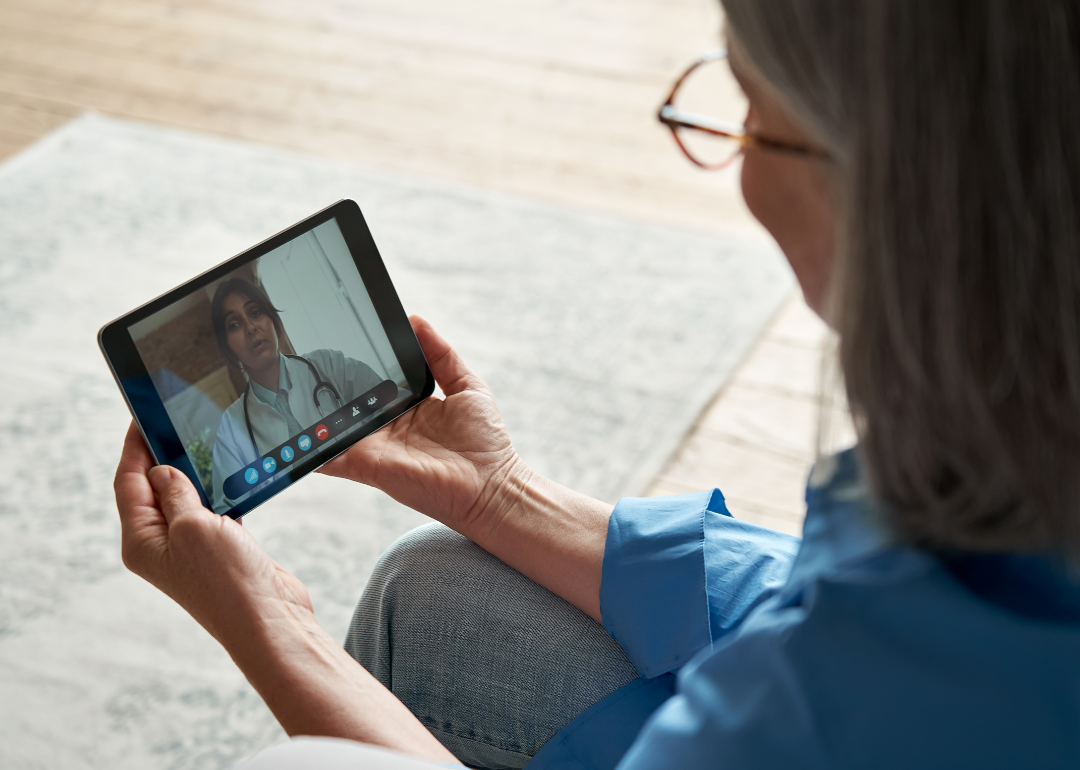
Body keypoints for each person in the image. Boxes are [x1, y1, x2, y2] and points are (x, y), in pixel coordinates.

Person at [113, 2, 1080, 769]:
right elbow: (796, 587)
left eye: (753, 117)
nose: (737, 162)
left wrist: (271, 626)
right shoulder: (1015, 443)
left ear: (895, 181)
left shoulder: (895, 670)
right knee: (426, 582)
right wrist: (500, 495)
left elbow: (843, 651)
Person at [208, 277, 384, 512]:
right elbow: (228, 512)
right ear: (227, 345)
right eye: (234, 325)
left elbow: (396, 406)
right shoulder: (231, 428)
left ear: (272, 318)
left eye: (256, 312)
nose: (250, 327)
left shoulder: (329, 365)